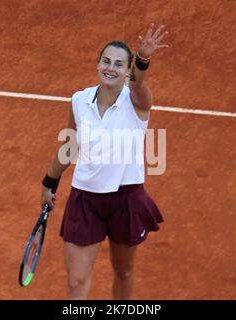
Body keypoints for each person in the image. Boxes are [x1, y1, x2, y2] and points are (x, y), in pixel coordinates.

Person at [40, 23, 169, 300]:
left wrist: (143, 59)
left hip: (126, 199)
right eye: (106, 61)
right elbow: (70, 145)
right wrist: (49, 181)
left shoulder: (137, 100)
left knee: (123, 271)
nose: (111, 68)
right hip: (85, 198)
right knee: (76, 282)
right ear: (97, 64)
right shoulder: (79, 100)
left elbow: (139, 83)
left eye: (119, 64)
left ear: (126, 71)